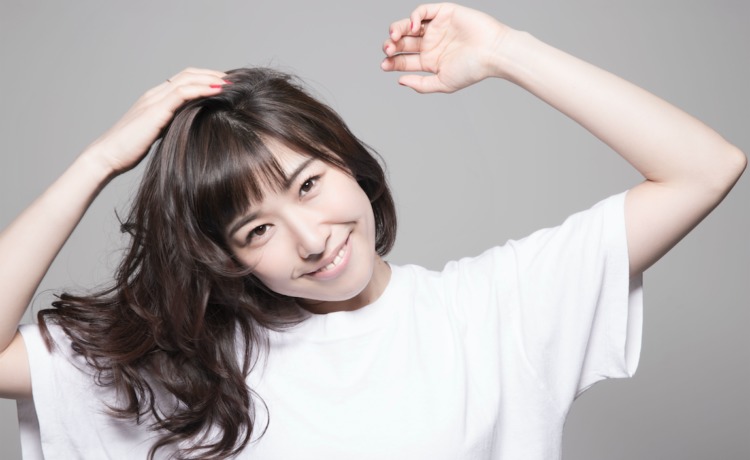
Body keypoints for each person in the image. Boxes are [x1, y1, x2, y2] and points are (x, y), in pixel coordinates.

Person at [0, 3, 745, 459]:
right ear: (226, 256)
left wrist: (506, 52)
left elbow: (707, 167)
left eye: (309, 185)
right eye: (257, 230)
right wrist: (100, 161)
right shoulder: (193, 364)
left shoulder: (495, 309)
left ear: (347, 159)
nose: (310, 238)